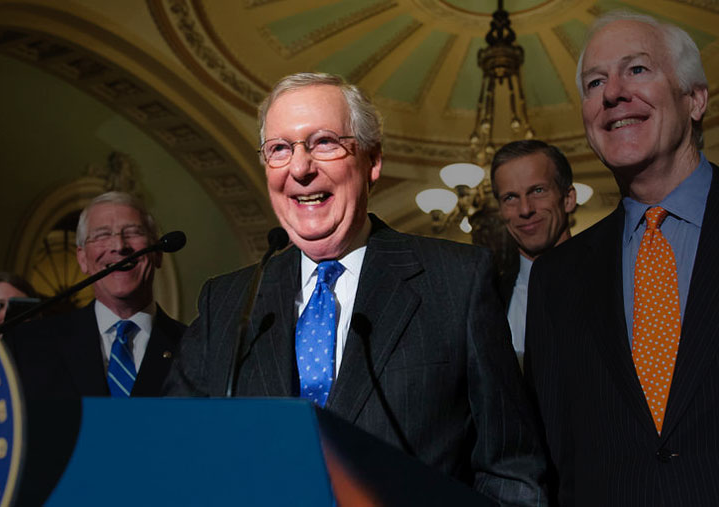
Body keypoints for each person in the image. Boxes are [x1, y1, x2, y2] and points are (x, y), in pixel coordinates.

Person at [165, 72, 547, 504]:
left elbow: (512, 470)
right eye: (280, 149)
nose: (300, 167)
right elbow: (176, 455)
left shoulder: (456, 281)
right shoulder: (227, 302)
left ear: (372, 160)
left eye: (324, 142)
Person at [524, 11, 715, 506]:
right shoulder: (556, 279)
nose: (612, 93)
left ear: (694, 99)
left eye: (637, 70)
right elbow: (549, 457)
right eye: (594, 82)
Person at [7, 192, 187, 399]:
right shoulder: (30, 344)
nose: (119, 246)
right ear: (82, 258)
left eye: (133, 233)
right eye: (102, 235)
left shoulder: (196, 348)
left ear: (157, 254)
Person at [491, 140, 576, 367]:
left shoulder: (613, 278)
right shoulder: (489, 298)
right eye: (510, 197)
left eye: (538, 191)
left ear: (568, 199)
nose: (525, 210)